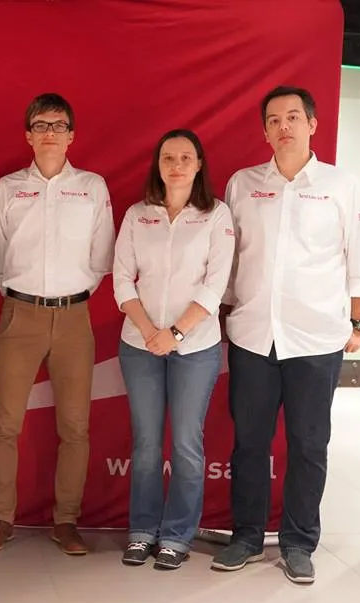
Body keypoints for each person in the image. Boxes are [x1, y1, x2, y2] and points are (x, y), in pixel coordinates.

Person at [211, 86, 360, 583]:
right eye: (273, 119)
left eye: (292, 117)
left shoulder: (342, 185)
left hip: (316, 339)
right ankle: (246, 537)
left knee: (309, 444)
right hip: (252, 336)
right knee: (249, 442)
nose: (283, 126)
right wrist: (222, 316)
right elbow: (229, 258)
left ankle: (300, 542)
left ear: (312, 125)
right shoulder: (243, 184)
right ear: (264, 130)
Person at [0, 93, 114, 555]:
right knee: (5, 423)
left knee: (75, 426)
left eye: (59, 125)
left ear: (72, 135)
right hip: (20, 313)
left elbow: (101, 256)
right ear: (28, 135)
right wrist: (25, 297)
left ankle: (66, 520)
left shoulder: (92, 187)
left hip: (75, 316)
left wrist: (70, 296)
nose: (50, 132)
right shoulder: (7, 189)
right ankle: (0, 519)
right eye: (41, 125)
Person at [113, 129, 235, 570]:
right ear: (158, 165)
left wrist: (176, 334)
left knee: (185, 442)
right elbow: (121, 279)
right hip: (140, 344)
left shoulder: (216, 214)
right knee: (147, 443)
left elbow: (215, 285)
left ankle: (177, 535)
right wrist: (150, 331)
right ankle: (143, 530)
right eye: (168, 157)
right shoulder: (137, 215)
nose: (177, 165)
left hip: (196, 347)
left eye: (186, 157)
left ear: (199, 164)